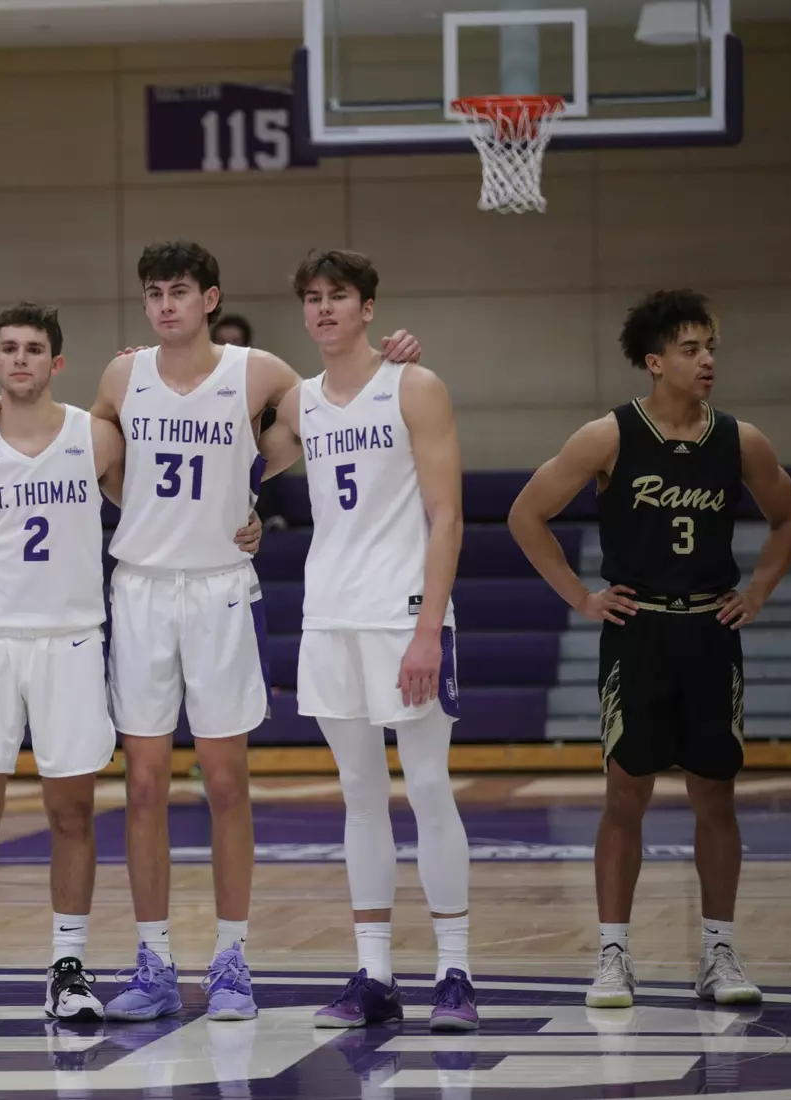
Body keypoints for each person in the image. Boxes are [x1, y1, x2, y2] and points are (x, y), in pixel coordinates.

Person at [0, 242, 421, 1022]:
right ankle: (153, 960)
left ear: (210, 299)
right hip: (140, 587)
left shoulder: (260, 372)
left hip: (219, 592)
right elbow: (93, 453)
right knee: (142, 786)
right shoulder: (121, 376)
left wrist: (257, 478)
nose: (166, 304)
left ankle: (233, 959)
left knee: (224, 784)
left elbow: (327, 403)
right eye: (154, 293)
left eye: (180, 291)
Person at [0, 303, 261, 1026]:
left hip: (73, 640)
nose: (20, 360)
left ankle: (69, 966)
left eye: (34, 349)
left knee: (73, 812)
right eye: (8, 349)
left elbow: (181, 483)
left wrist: (249, 509)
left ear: (56, 365)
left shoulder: (97, 434)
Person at [507, 289, 791, 1009]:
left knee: (716, 797)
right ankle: (613, 954)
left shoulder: (742, 440)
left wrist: (758, 592)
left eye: (711, 349)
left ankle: (719, 951)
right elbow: (527, 514)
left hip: (709, 630)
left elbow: (789, 517)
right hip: (636, 631)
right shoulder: (607, 436)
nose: (707, 362)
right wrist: (581, 597)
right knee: (624, 796)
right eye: (691, 349)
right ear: (654, 361)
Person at [256, 249, 475, 1031]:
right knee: (359, 796)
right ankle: (375, 975)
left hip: (404, 614)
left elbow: (447, 515)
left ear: (368, 308)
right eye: (312, 298)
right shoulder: (301, 402)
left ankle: (455, 972)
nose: (323, 310)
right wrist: (137, 370)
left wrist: (427, 631)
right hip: (331, 614)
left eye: (338, 297)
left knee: (425, 787)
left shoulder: (415, 386)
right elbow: (238, 457)